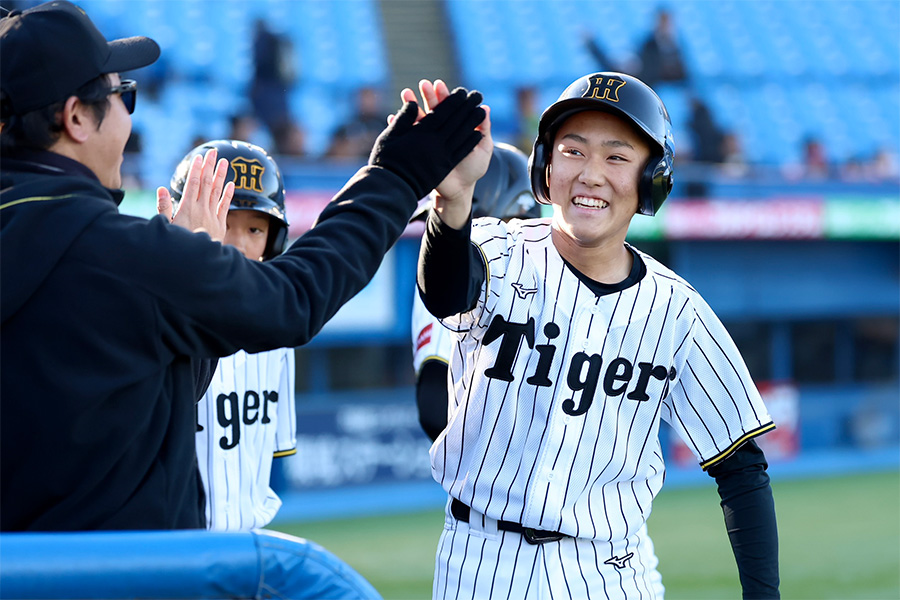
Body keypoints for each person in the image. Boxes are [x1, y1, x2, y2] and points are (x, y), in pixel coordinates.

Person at [0, 0, 487, 532]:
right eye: (124, 97)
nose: (127, 116)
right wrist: (395, 176)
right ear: (75, 117)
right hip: (119, 577)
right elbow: (294, 299)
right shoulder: (127, 257)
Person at [415, 73, 779, 598]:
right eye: (572, 151)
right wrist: (453, 203)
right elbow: (446, 292)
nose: (590, 174)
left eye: (616, 156)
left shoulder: (678, 311)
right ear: (545, 167)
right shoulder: (498, 250)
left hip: (611, 569)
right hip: (480, 559)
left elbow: (741, 467)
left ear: (652, 177)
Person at [169, 140, 298, 532]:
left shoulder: (278, 332)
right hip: (176, 546)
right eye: (223, 223)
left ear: (272, 241)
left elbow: (274, 458)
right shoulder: (161, 320)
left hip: (248, 543)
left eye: (255, 228)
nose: (239, 244)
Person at [411, 142, 540, 442]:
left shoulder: (541, 273)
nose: (438, 232)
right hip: (493, 477)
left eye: (449, 216)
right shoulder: (449, 279)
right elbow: (434, 406)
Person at [326, 86, 389, 160]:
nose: (367, 102)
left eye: (370, 98)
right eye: (363, 98)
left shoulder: (387, 124)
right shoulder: (346, 126)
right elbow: (331, 153)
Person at [637, 8, 688, 87]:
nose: (666, 26)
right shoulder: (649, 45)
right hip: (655, 85)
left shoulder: (677, 45)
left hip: (674, 85)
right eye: (663, 22)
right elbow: (648, 71)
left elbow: (684, 72)